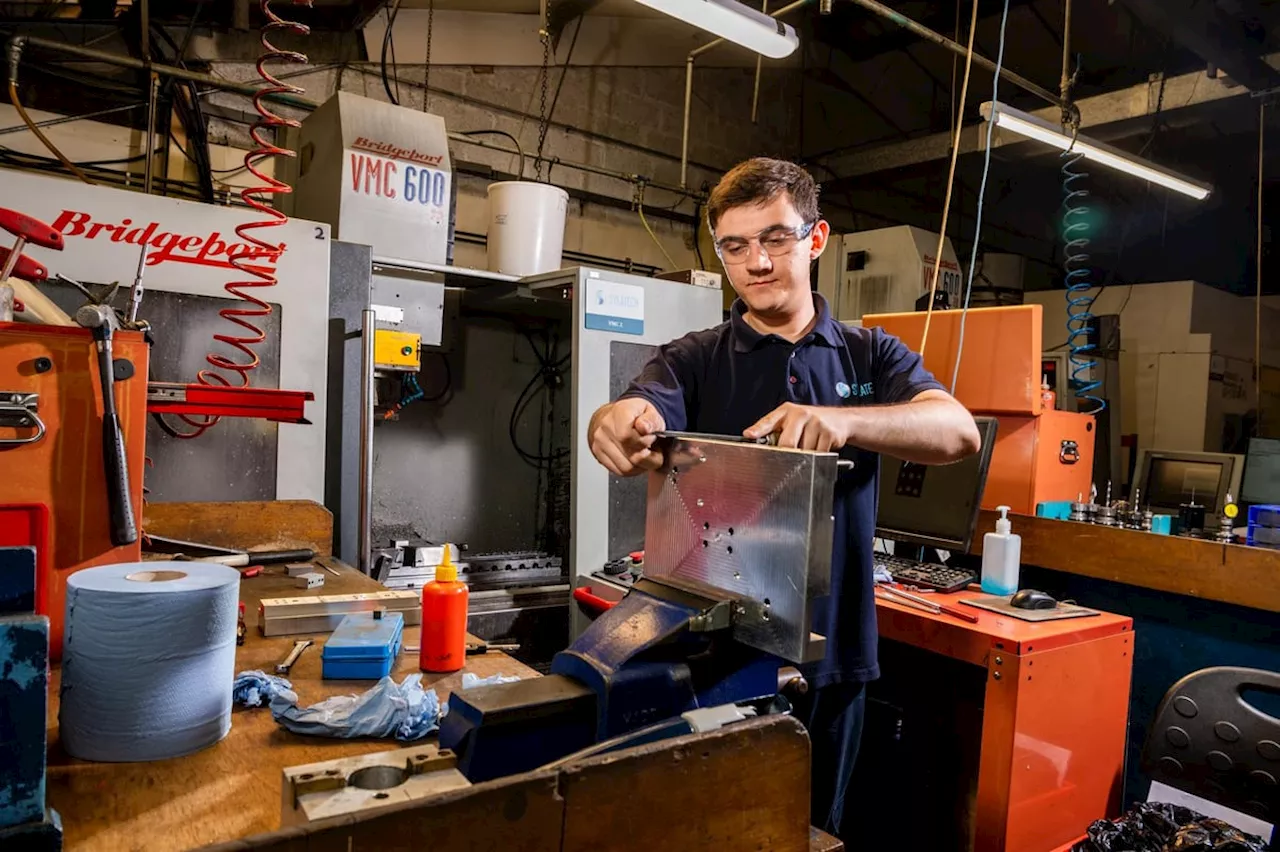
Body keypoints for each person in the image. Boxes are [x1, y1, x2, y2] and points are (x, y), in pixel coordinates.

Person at [586, 157, 981, 838]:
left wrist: (846, 420)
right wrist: (611, 424)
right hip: (711, 654)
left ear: (816, 239)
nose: (756, 262)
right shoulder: (693, 357)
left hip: (835, 656)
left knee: (809, 829)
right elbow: (627, 411)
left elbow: (958, 432)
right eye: (735, 246)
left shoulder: (868, 355)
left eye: (774, 239)